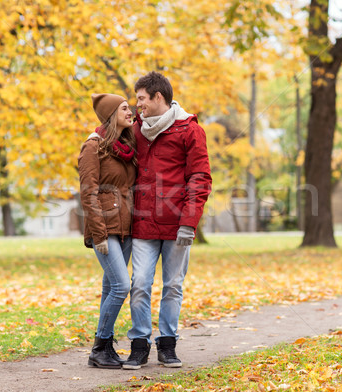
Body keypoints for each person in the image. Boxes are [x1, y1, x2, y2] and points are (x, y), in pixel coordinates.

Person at [123, 72, 212, 370]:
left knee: (173, 285)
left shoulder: (189, 130)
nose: (138, 106)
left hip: (177, 226)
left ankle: (168, 344)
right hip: (144, 224)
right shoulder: (135, 131)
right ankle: (139, 345)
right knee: (139, 284)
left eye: (142, 99)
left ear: (158, 97)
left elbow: (199, 178)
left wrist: (189, 222)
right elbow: (108, 132)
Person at [77, 93, 137, 369]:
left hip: (125, 228)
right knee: (122, 286)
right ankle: (100, 346)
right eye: (124, 107)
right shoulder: (93, 146)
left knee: (109, 287)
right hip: (105, 228)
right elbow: (88, 192)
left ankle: (104, 348)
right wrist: (98, 234)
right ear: (112, 113)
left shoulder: (125, 147)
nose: (131, 110)